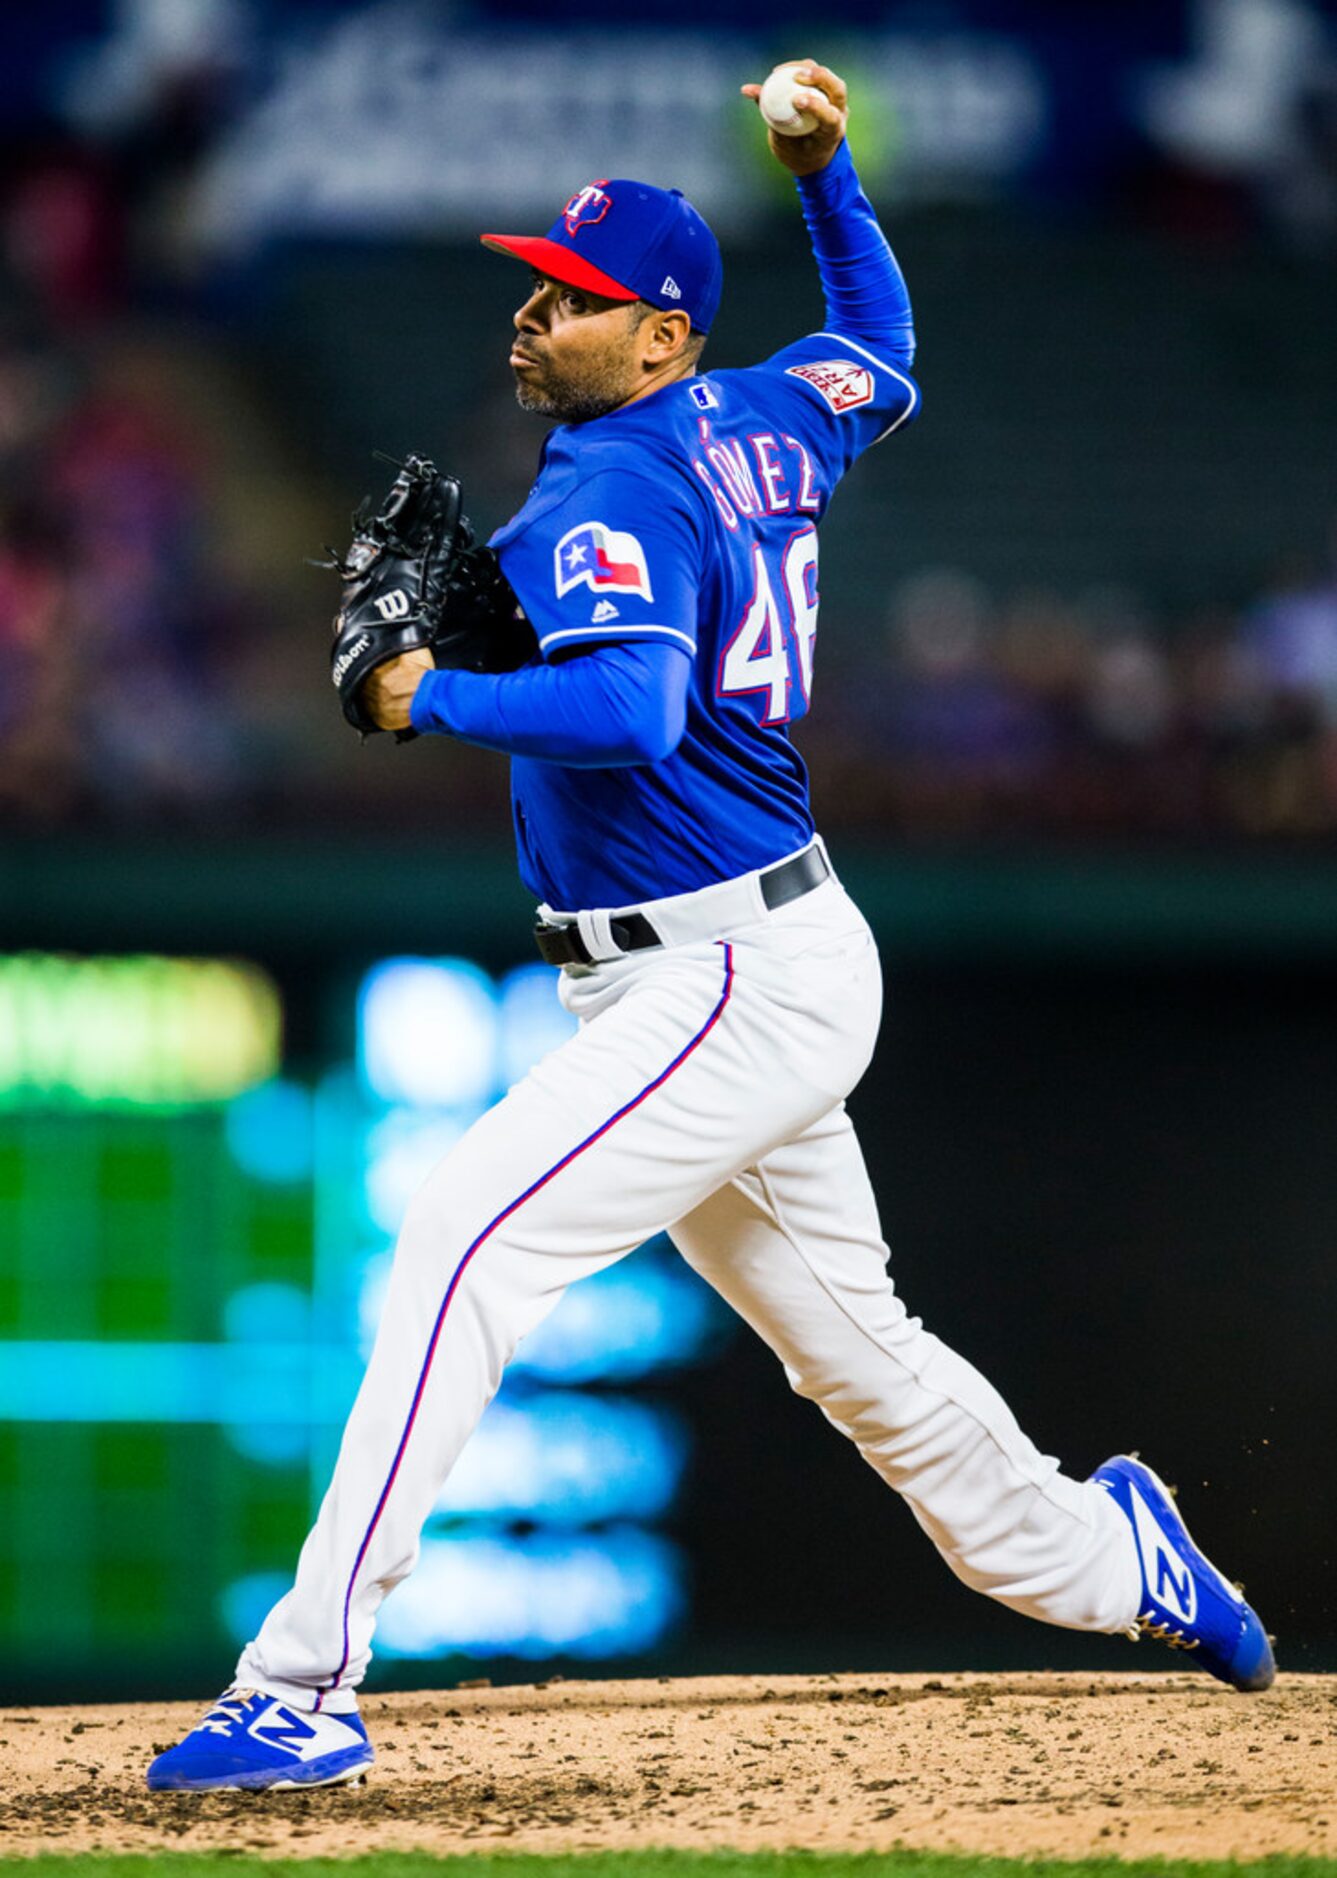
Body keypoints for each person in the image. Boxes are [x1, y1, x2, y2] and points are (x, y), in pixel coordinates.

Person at [148, 61, 1273, 1794]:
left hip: (720, 972)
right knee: (860, 1357)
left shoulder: (614, 492)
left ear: (660, 335)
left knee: (460, 1239)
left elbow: (631, 713)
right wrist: (821, 176)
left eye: (575, 301)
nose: (533, 316)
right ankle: (1112, 1555)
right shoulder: (764, 413)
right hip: (749, 958)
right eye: (534, 285)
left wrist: (427, 689)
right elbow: (880, 342)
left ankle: (302, 1679)